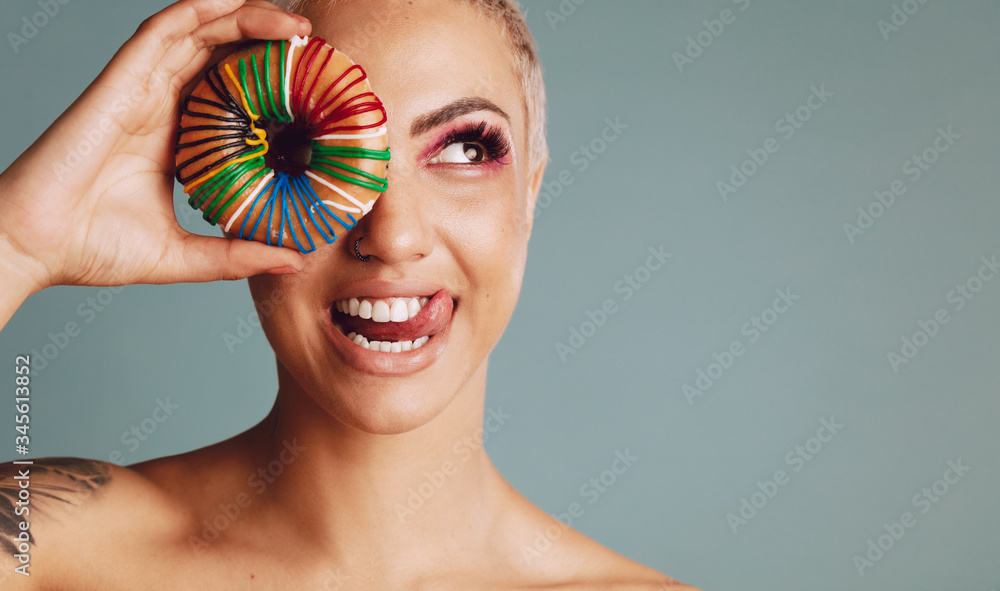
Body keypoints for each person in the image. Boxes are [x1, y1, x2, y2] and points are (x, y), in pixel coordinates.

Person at [0, 0, 699, 587]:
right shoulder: (51, 546)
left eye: (464, 149)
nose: (392, 236)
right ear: (228, 184)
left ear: (532, 189)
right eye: (304, 149)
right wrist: (17, 243)